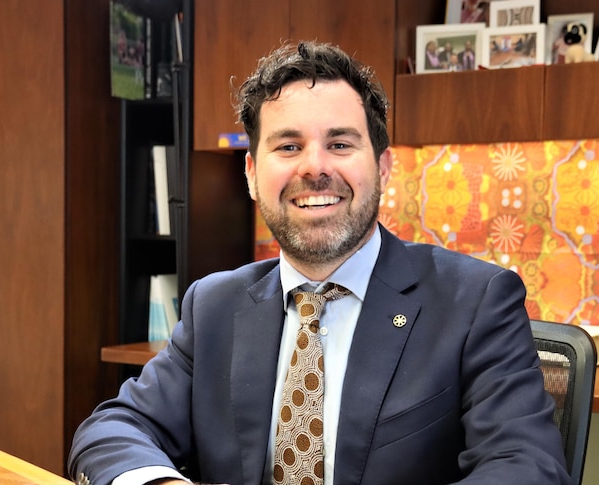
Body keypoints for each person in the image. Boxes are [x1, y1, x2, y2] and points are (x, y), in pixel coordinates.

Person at [68, 40, 570, 485]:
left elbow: (526, 465)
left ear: (384, 166)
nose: (314, 167)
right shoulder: (214, 304)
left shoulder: (476, 301)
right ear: (250, 173)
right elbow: (111, 431)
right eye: (288, 146)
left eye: (340, 143)